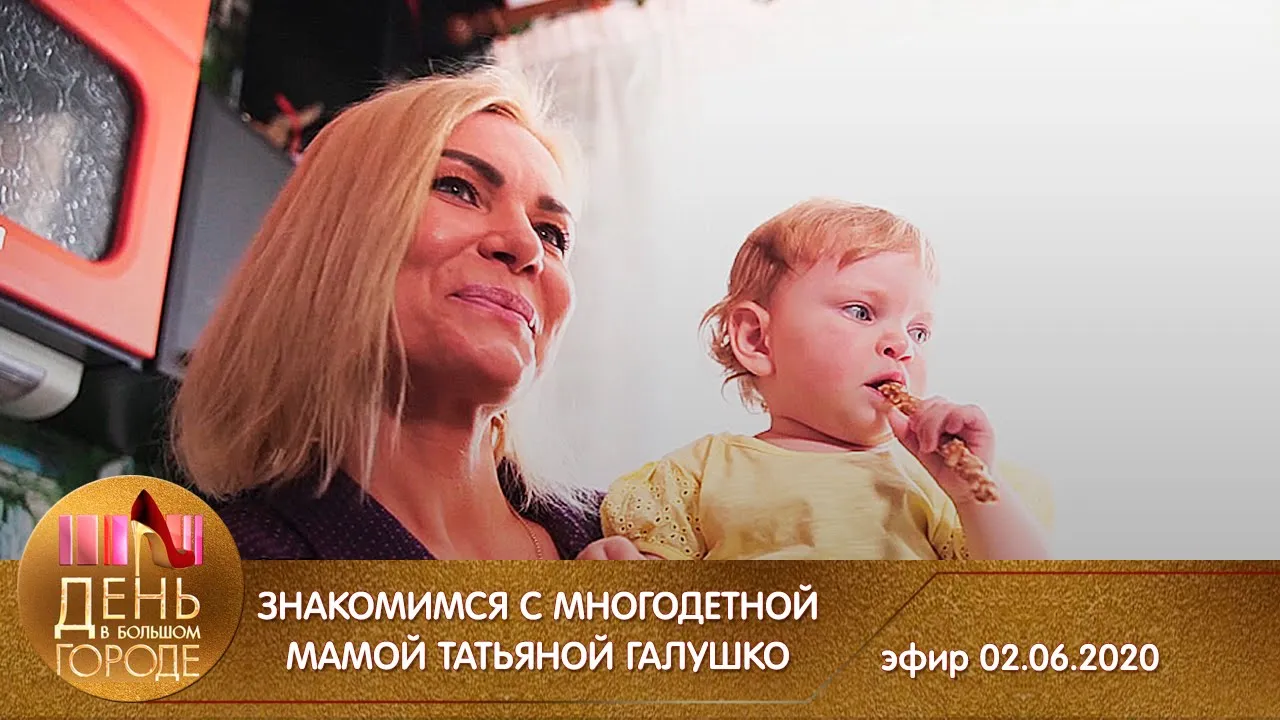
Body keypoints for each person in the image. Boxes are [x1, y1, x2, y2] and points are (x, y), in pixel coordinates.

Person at [171, 67, 644, 561]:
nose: (527, 247)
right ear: (330, 238)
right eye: (458, 189)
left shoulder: (641, 533)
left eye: (552, 234)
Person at [600, 199, 1053, 560]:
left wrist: (973, 497)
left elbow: (1025, 599)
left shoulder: (935, 480)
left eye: (919, 331)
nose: (903, 345)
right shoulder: (697, 475)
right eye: (861, 312)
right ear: (756, 339)